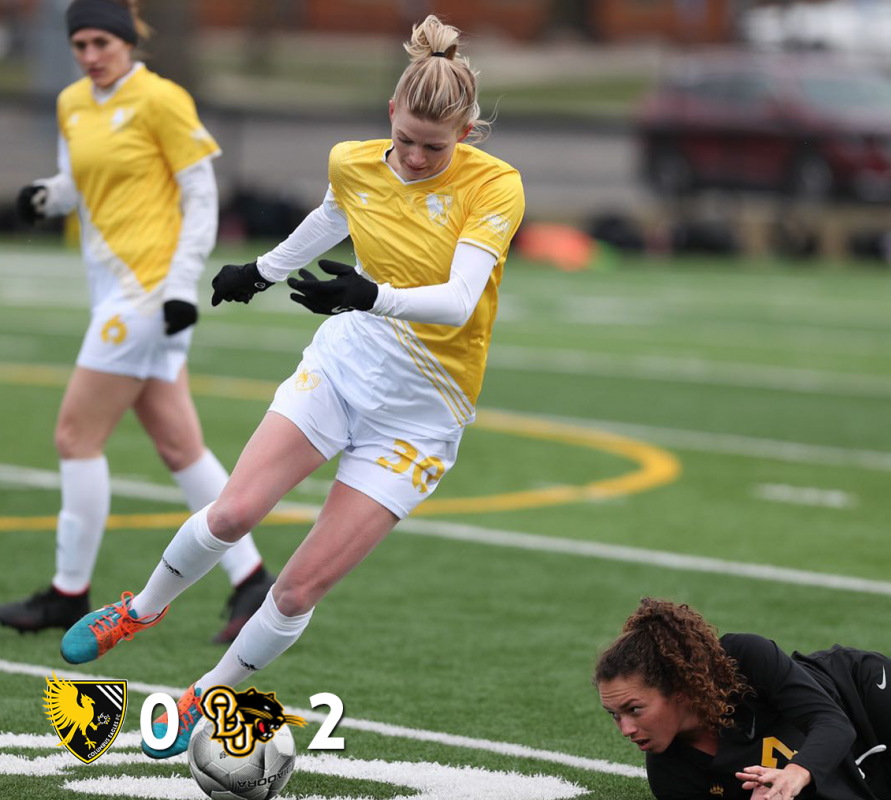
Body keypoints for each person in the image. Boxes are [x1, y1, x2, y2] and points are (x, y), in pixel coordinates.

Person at [59, 13, 525, 759]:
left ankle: (206, 693)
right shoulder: (354, 160)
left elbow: (459, 299)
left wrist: (372, 295)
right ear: (389, 117)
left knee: (298, 589)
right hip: (344, 366)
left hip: (423, 412)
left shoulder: (495, 185)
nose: (411, 156)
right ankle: (139, 611)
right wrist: (262, 271)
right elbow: (335, 213)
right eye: (403, 138)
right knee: (232, 513)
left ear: (466, 137)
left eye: (433, 147)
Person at [0, 0, 274, 644]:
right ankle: (251, 579)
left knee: (75, 436)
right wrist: (48, 196)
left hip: (148, 295)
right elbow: (81, 180)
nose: (91, 55)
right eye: (80, 45)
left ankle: (69, 592)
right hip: (115, 292)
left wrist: (182, 286)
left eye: (102, 42)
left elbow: (202, 195)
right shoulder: (73, 102)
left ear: (127, 40)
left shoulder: (161, 99)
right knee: (180, 447)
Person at [595, 598, 891, 800]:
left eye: (634, 709)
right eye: (615, 714)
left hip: (861, 696)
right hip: (849, 771)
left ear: (679, 688)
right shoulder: (670, 776)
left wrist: (794, 774)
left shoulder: (744, 659)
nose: (626, 729)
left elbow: (832, 723)